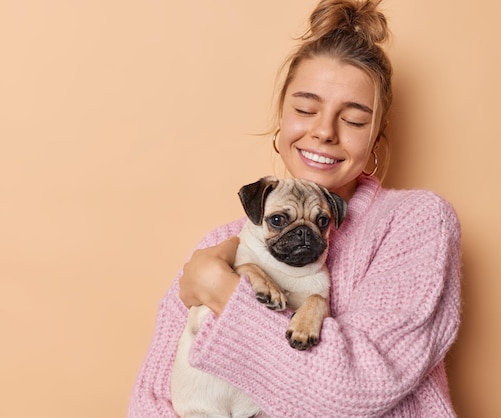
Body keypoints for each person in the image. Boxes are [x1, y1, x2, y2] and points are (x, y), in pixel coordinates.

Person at [128, 0, 462, 416]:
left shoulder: (415, 223)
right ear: (281, 119)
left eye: (354, 120)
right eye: (305, 109)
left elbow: (354, 391)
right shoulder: (220, 244)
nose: (323, 131)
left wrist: (224, 292)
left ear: (377, 135)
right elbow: (154, 401)